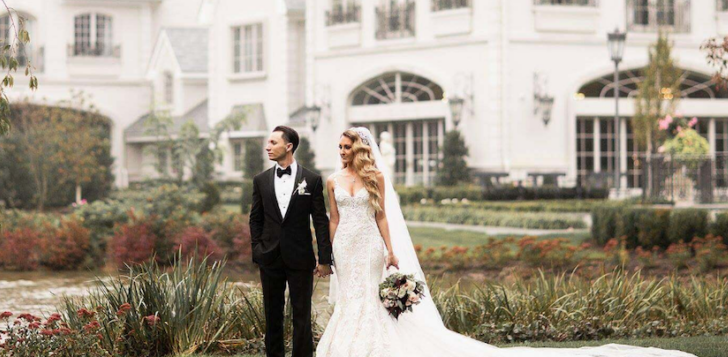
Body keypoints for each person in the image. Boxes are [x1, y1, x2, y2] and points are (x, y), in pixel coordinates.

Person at [316, 127, 699, 357]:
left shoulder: (375, 178)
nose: (342, 151)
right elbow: (334, 218)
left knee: (369, 296)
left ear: (360, 149)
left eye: (347, 146)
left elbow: (381, 215)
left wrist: (392, 249)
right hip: (345, 246)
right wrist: (330, 254)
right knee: (351, 295)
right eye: (339, 147)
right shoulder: (332, 180)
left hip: (370, 245)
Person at [248, 125, 332, 357]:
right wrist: (257, 249)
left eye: (273, 142)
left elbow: (320, 221)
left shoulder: (312, 180)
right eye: (268, 142)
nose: (268, 147)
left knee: (302, 316)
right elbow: (255, 219)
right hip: (270, 256)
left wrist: (324, 258)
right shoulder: (261, 180)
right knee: (272, 315)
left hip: (300, 257)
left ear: (289, 146)